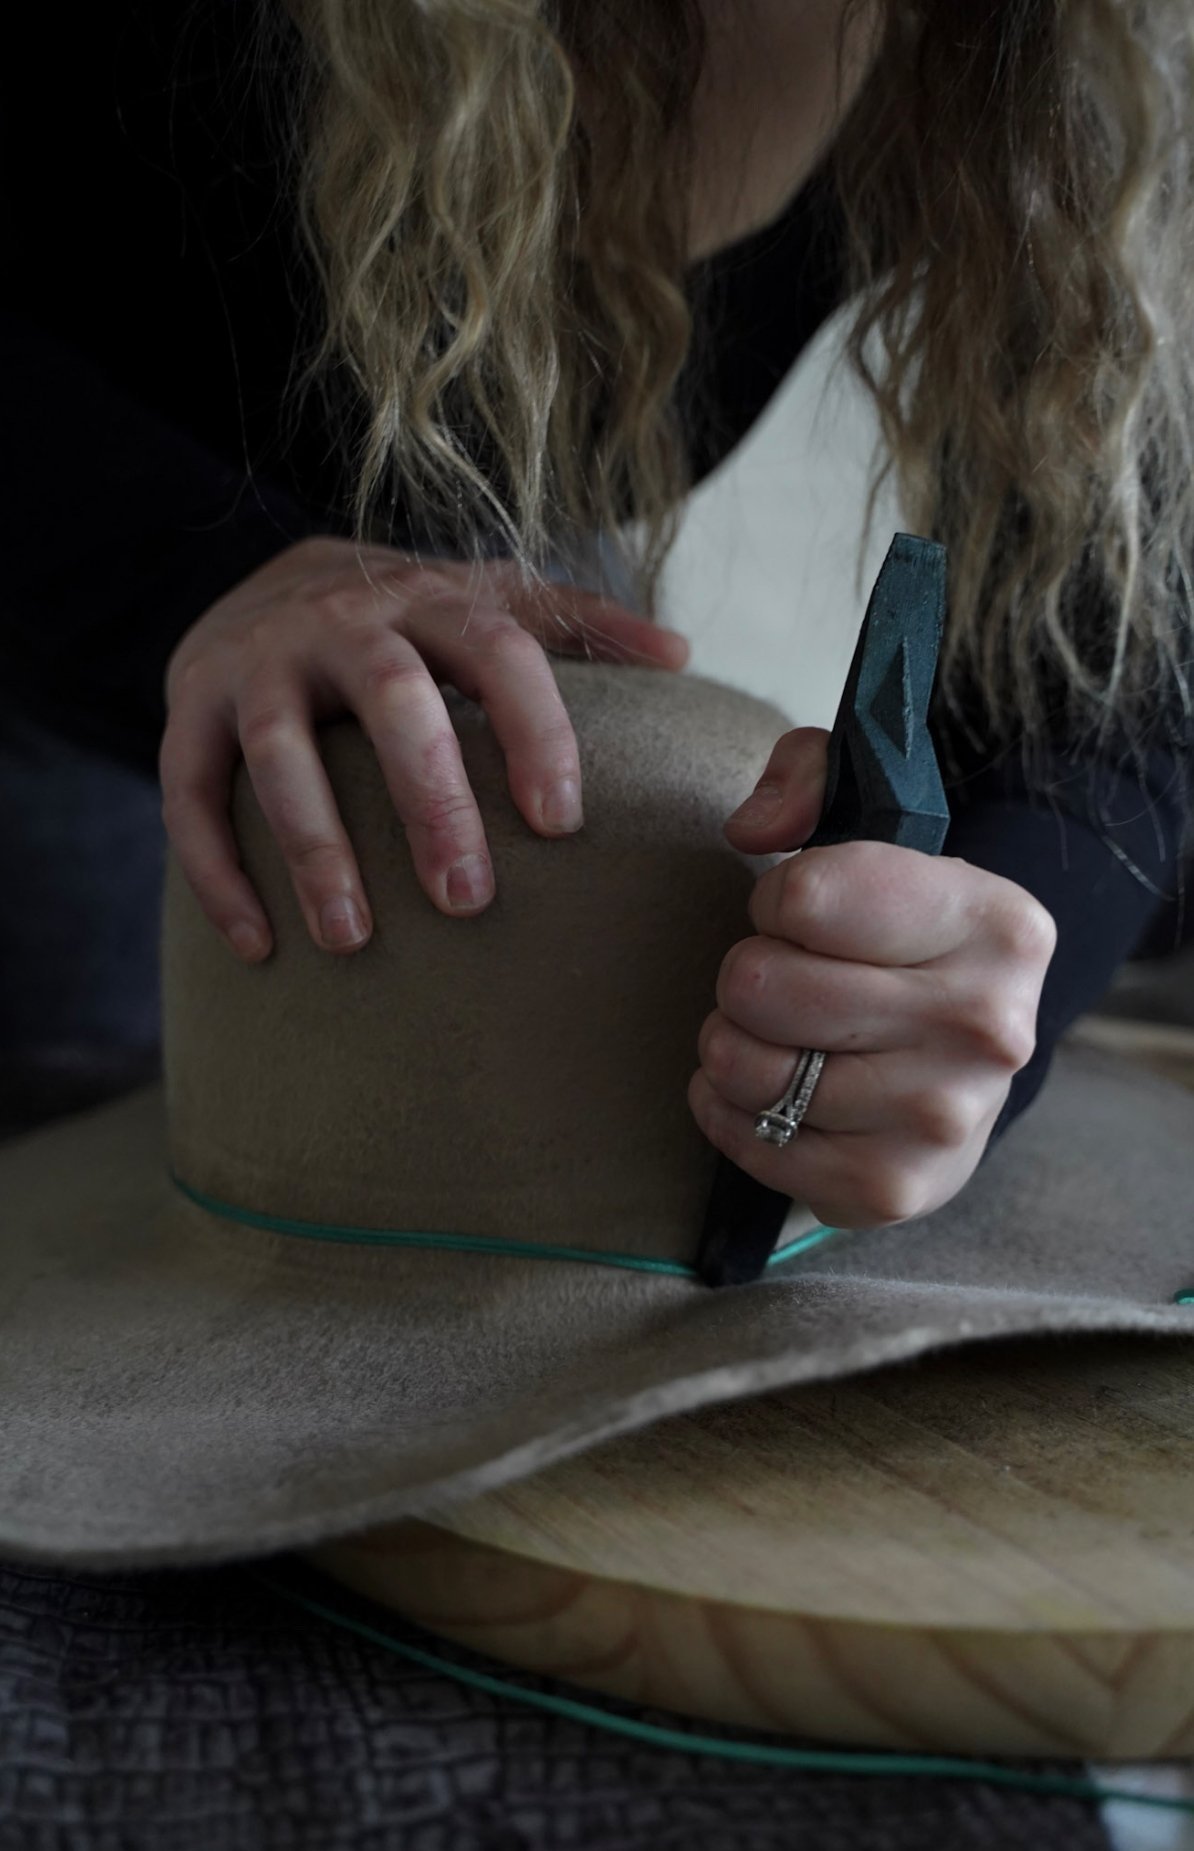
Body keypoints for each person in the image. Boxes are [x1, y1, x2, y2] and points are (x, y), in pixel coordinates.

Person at [2, 0, 1191, 1235]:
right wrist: (195, 574)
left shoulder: (1079, 62)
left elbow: (1111, 663)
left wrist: (963, 1007)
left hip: (470, 674)